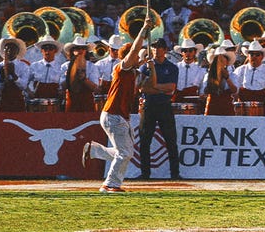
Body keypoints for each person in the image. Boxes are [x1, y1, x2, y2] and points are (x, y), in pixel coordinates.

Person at [83, 21, 150, 192]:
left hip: (118, 115)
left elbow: (136, 63)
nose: (138, 58)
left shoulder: (130, 70)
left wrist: (143, 62)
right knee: (125, 153)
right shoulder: (122, 67)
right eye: (135, 57)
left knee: (126, 151)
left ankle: (95, 150)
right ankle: (110, 184)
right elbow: (133, 52)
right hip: (114, 114)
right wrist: (143, 31)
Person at [138, 37, 181, 180]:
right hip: (149, 105)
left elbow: (171, 88)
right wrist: (161, 89)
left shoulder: (172, 67)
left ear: (165, 50)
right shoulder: (146, 67)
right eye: (154, 47)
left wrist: (154, 86)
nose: (156, 50)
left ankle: (175, 174)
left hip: (164, 105)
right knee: (145, 140)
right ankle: (145, 174)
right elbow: (142, 88)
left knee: (171, 140)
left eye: (159, 47)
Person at [0, 37, 30, 112]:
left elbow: (24, 86)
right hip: (3, 100)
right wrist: (2, 78)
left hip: (18, 100)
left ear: (17, 51)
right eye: (6, 48)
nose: (9, 51)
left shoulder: (23, 66)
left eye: (12, 48)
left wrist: (14, 75)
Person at [61, 36, 98, 113]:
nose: (80, 50)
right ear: (72, 51)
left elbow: (95, 88)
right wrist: (69, 76)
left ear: (86, 51)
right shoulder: (65, 66)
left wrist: (84, 79)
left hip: (87, 103)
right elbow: (61, 87)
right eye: (77, 48)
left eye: (83, 48)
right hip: (71, 101)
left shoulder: (92, 66)